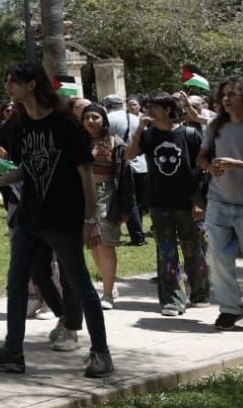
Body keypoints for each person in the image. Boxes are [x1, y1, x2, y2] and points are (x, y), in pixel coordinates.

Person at [0, 63, 114, 379]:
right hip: (29, 217)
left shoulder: (64, 122)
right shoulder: (20, 123)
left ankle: (101, 353)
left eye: (14, 81)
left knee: (81, 285)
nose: (8, 86)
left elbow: (85, 171)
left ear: (32, 84)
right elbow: (28, 168)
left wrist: (91, 219)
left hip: (63, 218)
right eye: (7, 80)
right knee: (16, 282)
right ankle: (12, 351)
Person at [129, 93, 209, 316]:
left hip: (188, 202)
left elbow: (202, 168)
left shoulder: (190, 134)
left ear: (166, 109)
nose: (149, 111)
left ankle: (200, 292)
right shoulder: (148, 135)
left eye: (153, 107)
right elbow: (129, 154)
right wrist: (138, 130)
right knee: (166, 251)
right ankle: (173, 300)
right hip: (159, 202)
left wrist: (199, 202)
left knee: (194, 249)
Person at [200, 79, 243, 331]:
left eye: (232, 94)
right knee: (219, 258)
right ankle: (230, 310)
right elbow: (201, 156)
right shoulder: (215, 125)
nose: (226, 99)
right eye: (223, 95)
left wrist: (239, 165)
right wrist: (208, 166)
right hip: (218, 201)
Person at [80, 103, 127, 310]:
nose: (91, 121)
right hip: (81, 196)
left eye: (95, 117)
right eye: (87, 117)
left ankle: (108, 293)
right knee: (92, 243)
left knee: (105, 244)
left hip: (106, 194)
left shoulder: (114, 142)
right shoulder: (77, 141)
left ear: (103, 120)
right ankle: (108, 285)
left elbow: (125, 175)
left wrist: (126, 207)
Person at [104, 95, 149, 245]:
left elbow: (108, 142)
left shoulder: (108, 118)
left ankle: (137, 235)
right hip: (141, 164)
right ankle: (139, 232)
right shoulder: (136, 118)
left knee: (129, 201)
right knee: (138, 202)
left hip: (124, 165)